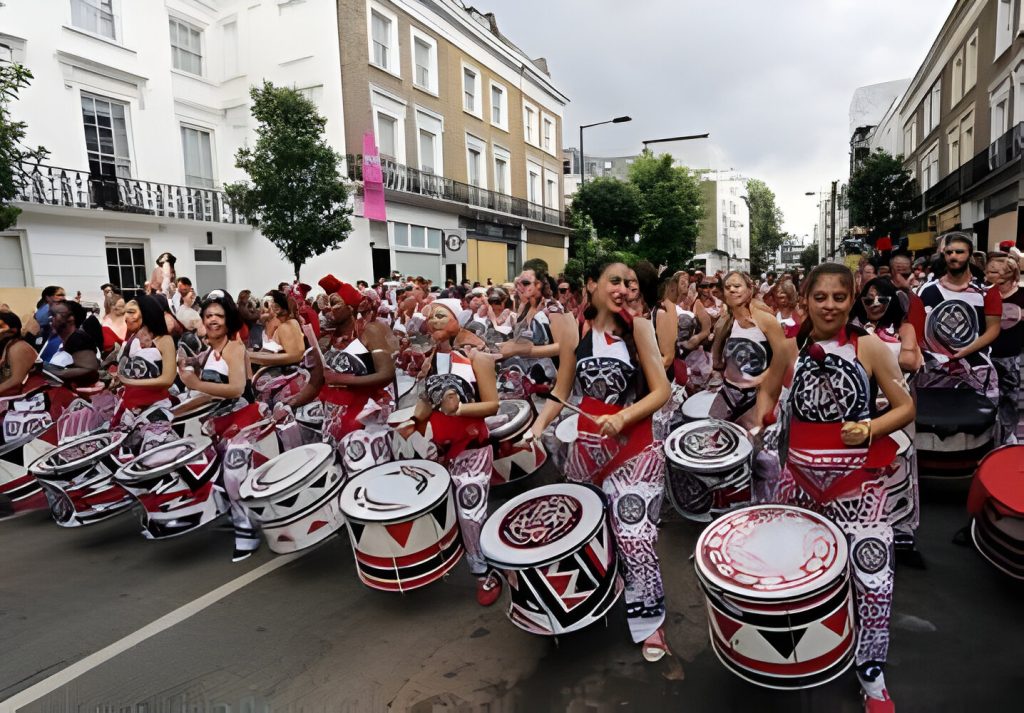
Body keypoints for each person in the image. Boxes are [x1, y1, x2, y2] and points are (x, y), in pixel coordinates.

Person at [771, 263, 914, 713]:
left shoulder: (868, 346)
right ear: (805, 301)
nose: (829, 305)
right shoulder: (789, 346)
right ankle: (800, 650)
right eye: (820, 297)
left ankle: (871, 671)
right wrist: (759, 413)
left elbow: (905, 407)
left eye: (838, 297)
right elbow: (769, 388)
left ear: (851, 301)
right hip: (798, 487)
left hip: (859, 488)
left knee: (873, 581)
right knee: (794, 576)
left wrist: (870, 428)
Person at [529, 259, 672, 661]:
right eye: (615, 280)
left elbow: (662, 391)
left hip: (635, 450)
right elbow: (561, 392)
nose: (624, 287)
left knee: (634, 536)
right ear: (591, 287)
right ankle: (601, 594)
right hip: (588, 453)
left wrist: (623, 416)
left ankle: (651, 621)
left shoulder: (640, 328)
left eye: (629, 282)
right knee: (591, 530)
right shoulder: (576, 333)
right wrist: (538, 426)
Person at [411, 300, 501, 605]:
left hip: (473, 447)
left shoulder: (478, 357)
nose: (433, 322)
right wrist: (411, 424)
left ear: (457, 320)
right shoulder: (431, 360)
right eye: (429, 318)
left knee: (470, 513)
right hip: (441, 450)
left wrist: (460, 408)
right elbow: (426, 402)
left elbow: (492, 405)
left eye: (441, 316)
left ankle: (484, 572)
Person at [177, 291, 262, 562]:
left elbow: (237, 388)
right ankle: (230, 513)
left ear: (228, 321)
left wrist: (195, 384)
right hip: (218, 422)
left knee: (234, 472)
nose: (213, 320)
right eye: (209, 315)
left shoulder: (235, 347)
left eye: (219, 315)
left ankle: (247, 531)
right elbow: (205, 387)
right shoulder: (209, 351)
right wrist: (176, 410)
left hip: (244, 418)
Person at [917, 232, 1001, 403]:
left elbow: (993, 329)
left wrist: (964, 352)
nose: (953, 256)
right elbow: (917, 329)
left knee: (980, 424)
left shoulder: (986, 291)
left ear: (969, 254)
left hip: (978, 370)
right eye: (949, 252)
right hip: (934, 372)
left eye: (959, 252)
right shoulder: (925, 290)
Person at [709, 272, 791, 430]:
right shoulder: (727, 320)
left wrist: (765, 380)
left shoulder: (765, 319)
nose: (732, 290)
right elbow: (718, 361)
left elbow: (783, 358)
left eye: (737, 286)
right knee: (713, 438)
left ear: (749, 290)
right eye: (728, 287)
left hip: (757, 395)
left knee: (753, 445)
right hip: (729, 392)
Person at [110, 295, 178, 453]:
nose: (127, 317)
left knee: (154, 454)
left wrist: (130, 382)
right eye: (126, 312)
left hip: (154, 407)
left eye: (132, 312)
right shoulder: (131, 339)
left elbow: (168, 379)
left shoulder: (164, 340)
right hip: (128, 406)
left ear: (146, 313)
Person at [986, 253, 1024, 443]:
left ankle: (1008, 437)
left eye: (993, 271)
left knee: (1010, 399)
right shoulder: (984, 295)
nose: (988, 274)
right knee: (987, 400)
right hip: (985, 356)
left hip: (1012, 358)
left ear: (1008, 274)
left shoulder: (1022, 295)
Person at [44, 300, 100, 387]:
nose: (51, 318)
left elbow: (90, 369)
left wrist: (54, 372)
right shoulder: (60, 341)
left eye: (55, 314)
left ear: (71, 318)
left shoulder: (79, 339)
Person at [249, 290, 305, 368]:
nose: (265, 308)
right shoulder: (265, 326)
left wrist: (251, 357)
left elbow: (295, 356)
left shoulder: (287, 325)